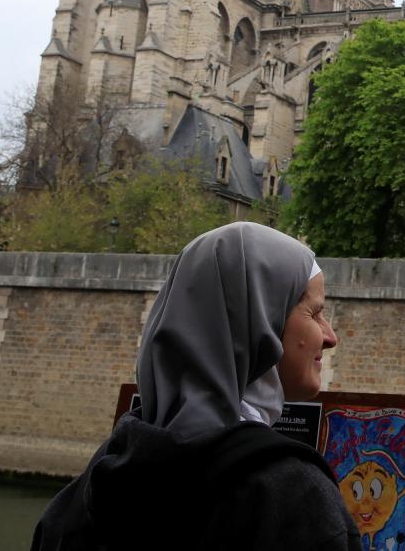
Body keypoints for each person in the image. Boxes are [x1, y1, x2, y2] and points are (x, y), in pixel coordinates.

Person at [32, 222, 357, 550]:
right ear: (261, 322)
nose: (330, 337)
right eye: (315, 313)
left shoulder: (85, 493)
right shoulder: (297, 501)